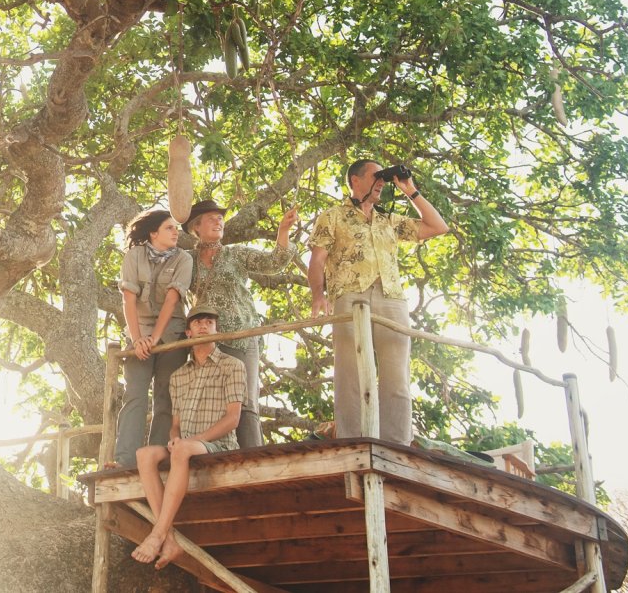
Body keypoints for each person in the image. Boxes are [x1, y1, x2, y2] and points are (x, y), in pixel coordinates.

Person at [306, 160, 448, 445]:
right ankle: (353, 441)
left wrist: (411, 191)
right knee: (350, 373)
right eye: (376, 176)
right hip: (350, 295)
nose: (382, 182)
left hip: (391, 298)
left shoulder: (388, 220)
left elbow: (438, 226)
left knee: (396, 375)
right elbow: (318, 258)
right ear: (355, 181)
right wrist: (318, 296)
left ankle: (397, 444)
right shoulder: (332, 216)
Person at [181, 189, 298, 449]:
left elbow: (274, 262)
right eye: (211, 218)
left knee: (245, 403)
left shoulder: (236, 254)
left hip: (242, 336)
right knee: (209, 402)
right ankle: (212, 458)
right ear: (196, 227)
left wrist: (283, 231)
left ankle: (253, 460)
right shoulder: (187, 261)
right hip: (206, 339)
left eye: (220, 218)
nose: (219, 222)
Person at [130, 310, 243, 568]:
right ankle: (169, 539)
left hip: (217, 445)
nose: (204, 326)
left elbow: (233, 419)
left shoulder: (232, 365)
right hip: (185, 445)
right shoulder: (178, 375)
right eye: (198, 323)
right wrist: (174, 439)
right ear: (188, 332)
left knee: (182, 451)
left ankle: (157, 534)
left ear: (217, 330)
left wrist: (192, 441)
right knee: (144, 454)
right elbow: (176, 424)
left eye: (210, 322)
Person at [113, 206, 193, 468]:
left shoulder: (184, 259)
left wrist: (156, 338)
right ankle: (126, 460)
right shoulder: (133, 257)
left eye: (176, 228)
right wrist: (137, 340)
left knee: (166, 396)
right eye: (169, 227)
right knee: (134, 393)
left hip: (171, 333)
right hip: (139, 332)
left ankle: (157, 457)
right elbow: (128, 299)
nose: (176, 232)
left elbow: (172, 301)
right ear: (153, 232)